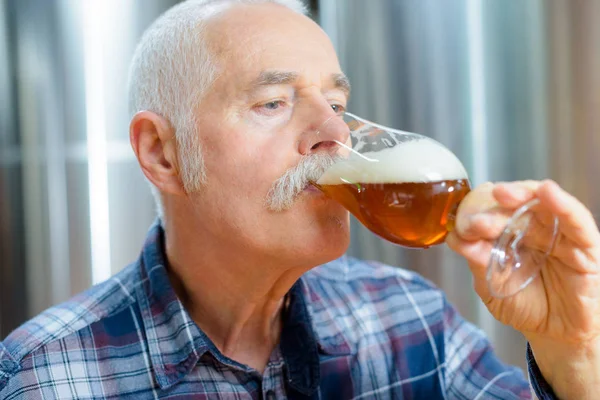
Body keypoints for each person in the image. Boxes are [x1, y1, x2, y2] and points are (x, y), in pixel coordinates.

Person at [1, 0, 599, 398]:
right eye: (273, 103)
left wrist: (572, 353)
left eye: (336, 104)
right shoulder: (46, 376)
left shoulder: (409, 317)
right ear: (162, 153)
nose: (336, 135)